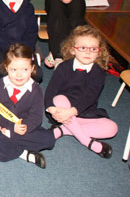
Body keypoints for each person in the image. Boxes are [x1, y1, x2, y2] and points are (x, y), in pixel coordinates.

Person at [45, 25, 118, 159]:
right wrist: (51, 108)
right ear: (73, 50)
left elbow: (89, 97)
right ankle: (88, 142)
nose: (88, 52)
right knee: (59, 99)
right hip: (61, 110)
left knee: (112, 128)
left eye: (93, 49)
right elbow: (50, 92)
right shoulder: (63, 67)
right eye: (83, 48)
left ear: (99, 52)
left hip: (84, 112)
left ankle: (63, 130)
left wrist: (72, 112)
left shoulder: (99, 72)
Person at [0, 44, 55, 169]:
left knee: (49, 139)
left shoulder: (36, 90)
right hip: (3, 126)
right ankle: (25, 155)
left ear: (32, 69)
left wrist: (23, 128)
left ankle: (0, 145)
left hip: (22, 129)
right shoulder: (0, 86)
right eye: (14, 70)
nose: (19, 75)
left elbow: (36, 117)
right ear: (6, 68)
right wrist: (8, 127)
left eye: (25, 70)